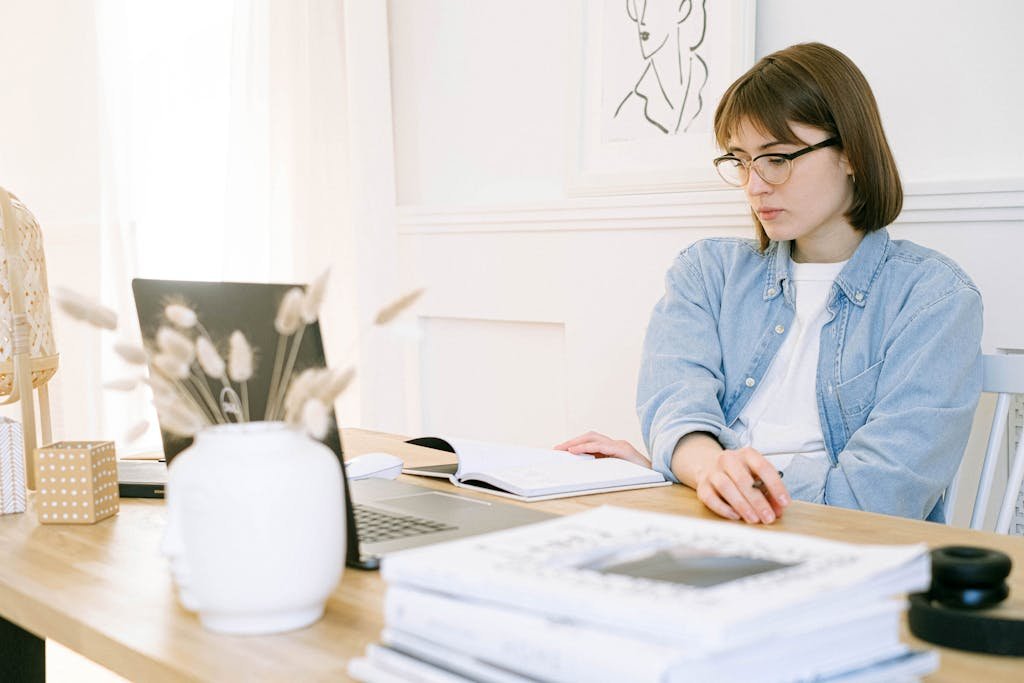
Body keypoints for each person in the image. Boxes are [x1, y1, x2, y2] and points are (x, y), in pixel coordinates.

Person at [556, 42, 983, 524]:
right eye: (740, 161)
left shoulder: (934, 299)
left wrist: (692, 474)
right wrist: (699, 469)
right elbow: (675, 411)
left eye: (776, 158)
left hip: (847, 554)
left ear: (851, 154)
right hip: (706, 529)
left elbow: (876, 498)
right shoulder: (707, 273)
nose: (754, 185)